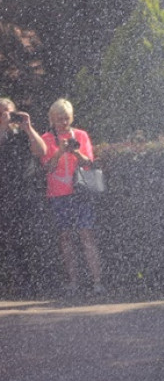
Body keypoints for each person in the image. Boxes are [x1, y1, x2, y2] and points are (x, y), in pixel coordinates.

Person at [39, 98, 105, 295]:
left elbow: (89, 163)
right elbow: (47, 168)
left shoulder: (81, 136)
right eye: (59, 119)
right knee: (65, 238)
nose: (63, 123)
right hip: (58, 194)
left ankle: (97, 282)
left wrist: (75, 152)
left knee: (87, 236)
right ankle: (73, 283)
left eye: (66, 119)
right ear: (51, 119)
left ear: (72, 118)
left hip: (80, 193)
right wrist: (59, 152)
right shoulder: (47, 138)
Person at [0, 98, 47, 296]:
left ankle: (29, 283)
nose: (5, 115)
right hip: (3, 193)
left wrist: (28, 128)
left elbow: (41, 151)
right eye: (1, 112)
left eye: (8, 112)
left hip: (24, 192)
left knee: (25, 237)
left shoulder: (22, 134)